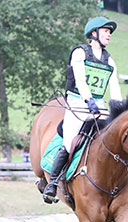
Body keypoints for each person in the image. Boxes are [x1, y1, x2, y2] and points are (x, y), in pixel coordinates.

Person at [43, 16, 123, 204]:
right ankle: (52, 184)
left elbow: (115, 86)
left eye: (110, 32)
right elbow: (80, 79)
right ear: (94, 33)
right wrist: (88, 100)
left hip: (99, 104)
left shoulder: (109, 60)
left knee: (116, 138)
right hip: (78, 103)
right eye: (106, 31)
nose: (109, 35)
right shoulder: (80, 53)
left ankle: (127, 182)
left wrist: (118, 109)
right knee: (70, 142)